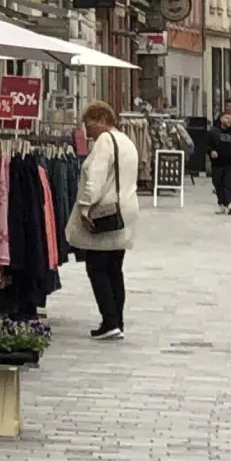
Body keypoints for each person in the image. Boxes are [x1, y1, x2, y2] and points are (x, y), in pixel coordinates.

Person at [66, 102, 141, 340]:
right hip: (126, 211)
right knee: (114, 268)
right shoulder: (127, 141)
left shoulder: (105, 141)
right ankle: (116, 320)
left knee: (96, 267)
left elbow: (95, 177)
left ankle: (109, 321)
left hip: (105, 212)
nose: (86, 131)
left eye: (88, 124)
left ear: (100, 119)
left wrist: (86, 206)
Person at [207, 111, 231, 215]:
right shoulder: (213, 132)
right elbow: (207, 145)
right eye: (227, 118)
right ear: (221, 119)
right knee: (218, 184)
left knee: (229, 184)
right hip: (217, 163)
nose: (229, 120)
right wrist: (211, 151)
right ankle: (222, 204)